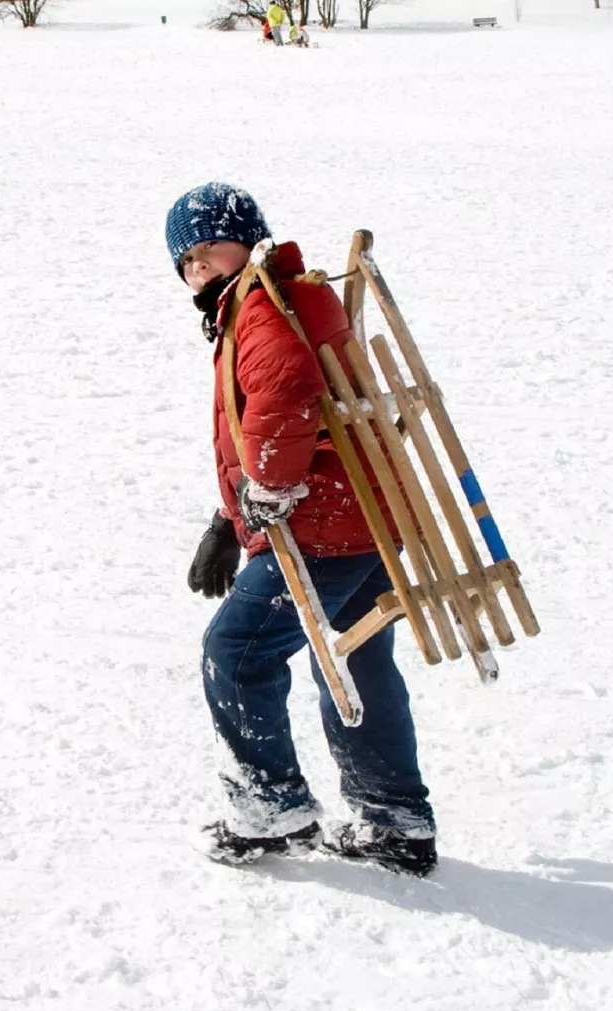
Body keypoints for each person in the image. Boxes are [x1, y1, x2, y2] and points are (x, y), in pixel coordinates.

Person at [167, 182, 438, 877]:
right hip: (368, 512)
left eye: (209, 247)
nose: (199, 266)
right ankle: (394, 821)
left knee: (236, 651)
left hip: (324, 523)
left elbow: (288, 389)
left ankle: (270, 811)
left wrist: (268, 488)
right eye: (186, 260)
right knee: (354, 658)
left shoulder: (261, 307)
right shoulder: (279, 295)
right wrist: (232, 518)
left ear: (246, 238)